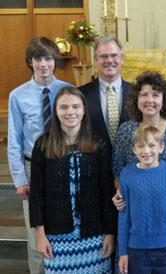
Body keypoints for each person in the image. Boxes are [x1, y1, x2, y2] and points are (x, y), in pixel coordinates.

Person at [112, 71, 166, 273]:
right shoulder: (126, 130)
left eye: (156, 95)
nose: (150, 100)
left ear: (164, 99)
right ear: (136, 99)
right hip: (138, 222)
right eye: (144, 95)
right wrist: (120, 196)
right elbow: (117, 169)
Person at [29, 86, 117, 273]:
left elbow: (107, 191)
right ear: (56, 111)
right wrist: (40, 235)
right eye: (64, 107)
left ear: (84, 110)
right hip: (56, 236)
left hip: (95, 235)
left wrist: (110, 233)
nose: (70, 112)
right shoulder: (43, 145)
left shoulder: (97, 143)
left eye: (76, 106)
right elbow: (37, 194)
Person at [7, 37, 72, 274]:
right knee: (36, 229)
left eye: (48, 58)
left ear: (55, 61)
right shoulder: (17, 95)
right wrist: (20, 180)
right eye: (38, 59)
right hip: (33, 167)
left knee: (63, 223)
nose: (43, 64)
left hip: (64, 164)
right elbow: (14, 141)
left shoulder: (68, 91)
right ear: (30, 62)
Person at [118, 125, 166, 274]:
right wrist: (123, 252)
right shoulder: (126, 174)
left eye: (151, 145)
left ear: (161, 147)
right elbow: (124, 215)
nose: (146, 151)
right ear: (134, 149)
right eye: (140, 146)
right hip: (136, 249)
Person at [79, 35, 130, 148]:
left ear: (122, 59)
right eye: (104, 56)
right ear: (96, 60)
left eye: (114, 55)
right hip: (95, 162)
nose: (109, 60)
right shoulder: (81, 94)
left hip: (130, 161)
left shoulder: (137, 93)